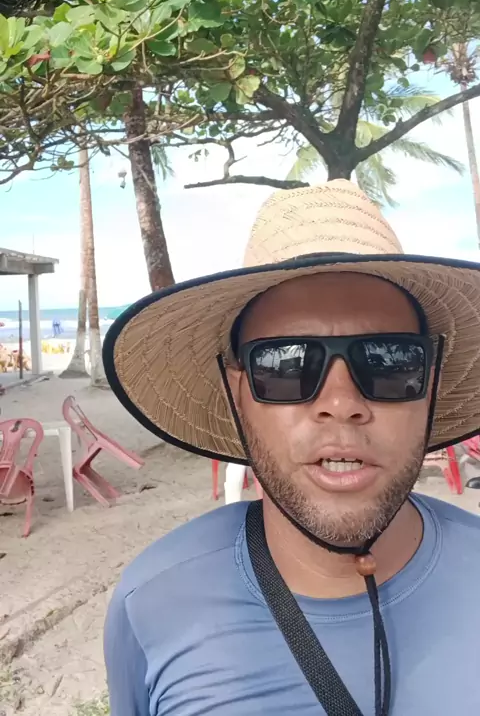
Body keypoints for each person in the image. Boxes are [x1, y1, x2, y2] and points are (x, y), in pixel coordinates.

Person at [102, 180, 480, 715]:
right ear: (237, 395)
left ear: (430, 387)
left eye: (389, 360)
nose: (341, 404)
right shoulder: (153, 602)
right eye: (286, 364)